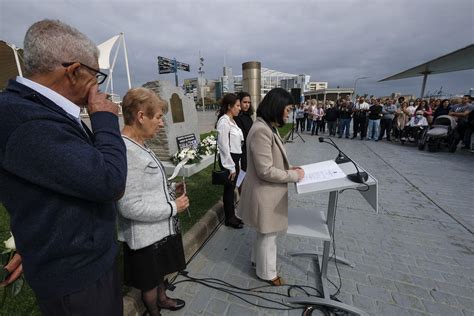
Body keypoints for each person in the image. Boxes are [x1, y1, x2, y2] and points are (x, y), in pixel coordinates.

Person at [0, 20, 127, 315]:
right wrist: (105, 119)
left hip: (79, 262)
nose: (98, 86)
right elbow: (109, 181)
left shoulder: (34, 109)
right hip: (77, 279)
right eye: (97, 75)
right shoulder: (27, 120)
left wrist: (33, 238)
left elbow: (44, 186)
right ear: (73, 71)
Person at [117, 88, 189, 316]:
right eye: (158, 117)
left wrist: (168, 190)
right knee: (148, 281)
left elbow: (146, 185)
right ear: (140, 116)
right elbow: (129, 206)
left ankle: (163, 298)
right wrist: (172, 207)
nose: (161, 123)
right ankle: (153, 311)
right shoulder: (127, 151)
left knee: (160, 272)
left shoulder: (140, 143)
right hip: (145, 236)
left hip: (157, 230)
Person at [237, 88, 304, 286]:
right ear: (277, 106)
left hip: (267, 192)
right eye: (288, 109)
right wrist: (293, 176)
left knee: (264, 232)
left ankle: (257, 262)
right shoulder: (261, 131)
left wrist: (291, 167)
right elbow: (265, 170)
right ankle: (267, 273)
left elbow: (273, 160)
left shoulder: (267, 127)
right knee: (268, 236)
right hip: (264, 193)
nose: (289, 113)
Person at [216, 93, 244, 229]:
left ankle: (232, 215)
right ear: (229, 106)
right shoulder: (224, 121)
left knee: (232, 189)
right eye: (237, 106)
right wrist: (231, 166)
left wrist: (237, 164)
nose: (239, 108)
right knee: (228, 190)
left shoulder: (233, 120)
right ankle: (229, 218)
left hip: (235, 159)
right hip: (229, 160)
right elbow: (223, 145)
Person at [234, 92, 254, 173]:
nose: (247, 105)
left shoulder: (248, 116)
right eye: (245, 102)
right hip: (242, 150)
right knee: (243, 172)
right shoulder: (237, 117)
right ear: (239, 102)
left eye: (249, 102)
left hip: (249, 148)